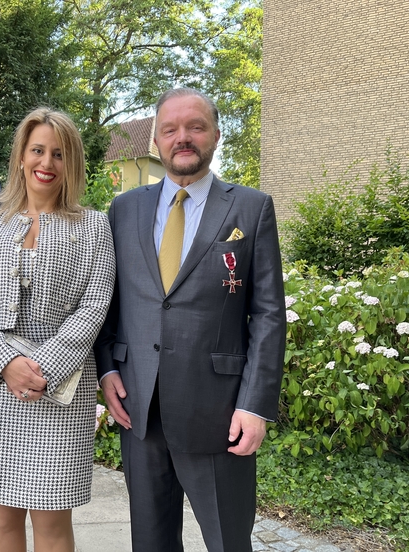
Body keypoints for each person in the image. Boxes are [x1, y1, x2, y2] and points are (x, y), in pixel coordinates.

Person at [94, 88, 286, 552]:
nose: (183, 138)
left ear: (216, 136)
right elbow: (107, 299)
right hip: (140, 409)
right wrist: (107, 369)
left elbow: (267, 314)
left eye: (195, 127)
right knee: (151, 542)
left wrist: (256, 405)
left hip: (219, 414)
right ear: (156, 141)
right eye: (170, 129)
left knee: (228, 541)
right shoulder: (124, 208)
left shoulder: (251, 208)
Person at [0, 107, 115, 552]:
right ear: (21, 157)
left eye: (59, 154)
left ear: (72, 163)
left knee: (52, 523)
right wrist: (6, 363)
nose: (46, 164)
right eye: (38, 151)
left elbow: (95, 305)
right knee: (2, 523)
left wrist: (43, 368)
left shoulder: (94, 227)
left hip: (60, 393)